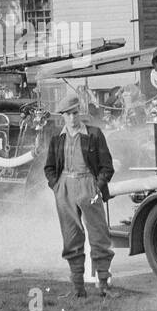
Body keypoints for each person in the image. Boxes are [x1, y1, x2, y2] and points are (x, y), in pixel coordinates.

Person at [43, 91, 115, 298]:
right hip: (65, 187)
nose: (72, 118)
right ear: (62, 116)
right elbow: (49, 167)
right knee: (71, 237)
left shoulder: (94, 134)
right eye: (67, 114)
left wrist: (97, 186)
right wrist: (56, 186)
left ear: (79, 113)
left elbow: (107, 167)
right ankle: (77, 289)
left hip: (88, 185)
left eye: (74, 113)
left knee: (99, 236)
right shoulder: (57, 137)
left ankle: (104, 286)